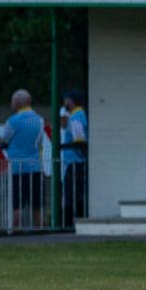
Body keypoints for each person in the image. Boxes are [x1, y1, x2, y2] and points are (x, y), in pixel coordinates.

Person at [3, 91, 46, 229]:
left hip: (17, 168)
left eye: (12, 102)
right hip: (35, 167)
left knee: (17, 206)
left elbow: (3, 140)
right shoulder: (40, 120)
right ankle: (39, 232)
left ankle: (17, 234)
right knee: (37, 205)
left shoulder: (12, 121)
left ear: (17, 103)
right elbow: (40, 141)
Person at [57, 90, 89, 222]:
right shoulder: (84, 115)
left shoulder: (75, 118)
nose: (64, 102)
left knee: (70, 196)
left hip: (75, 164)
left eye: (66, 99)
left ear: (71, 101)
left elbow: (79, 140)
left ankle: (68, 224)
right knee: (80, 195)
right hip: (81, 163)